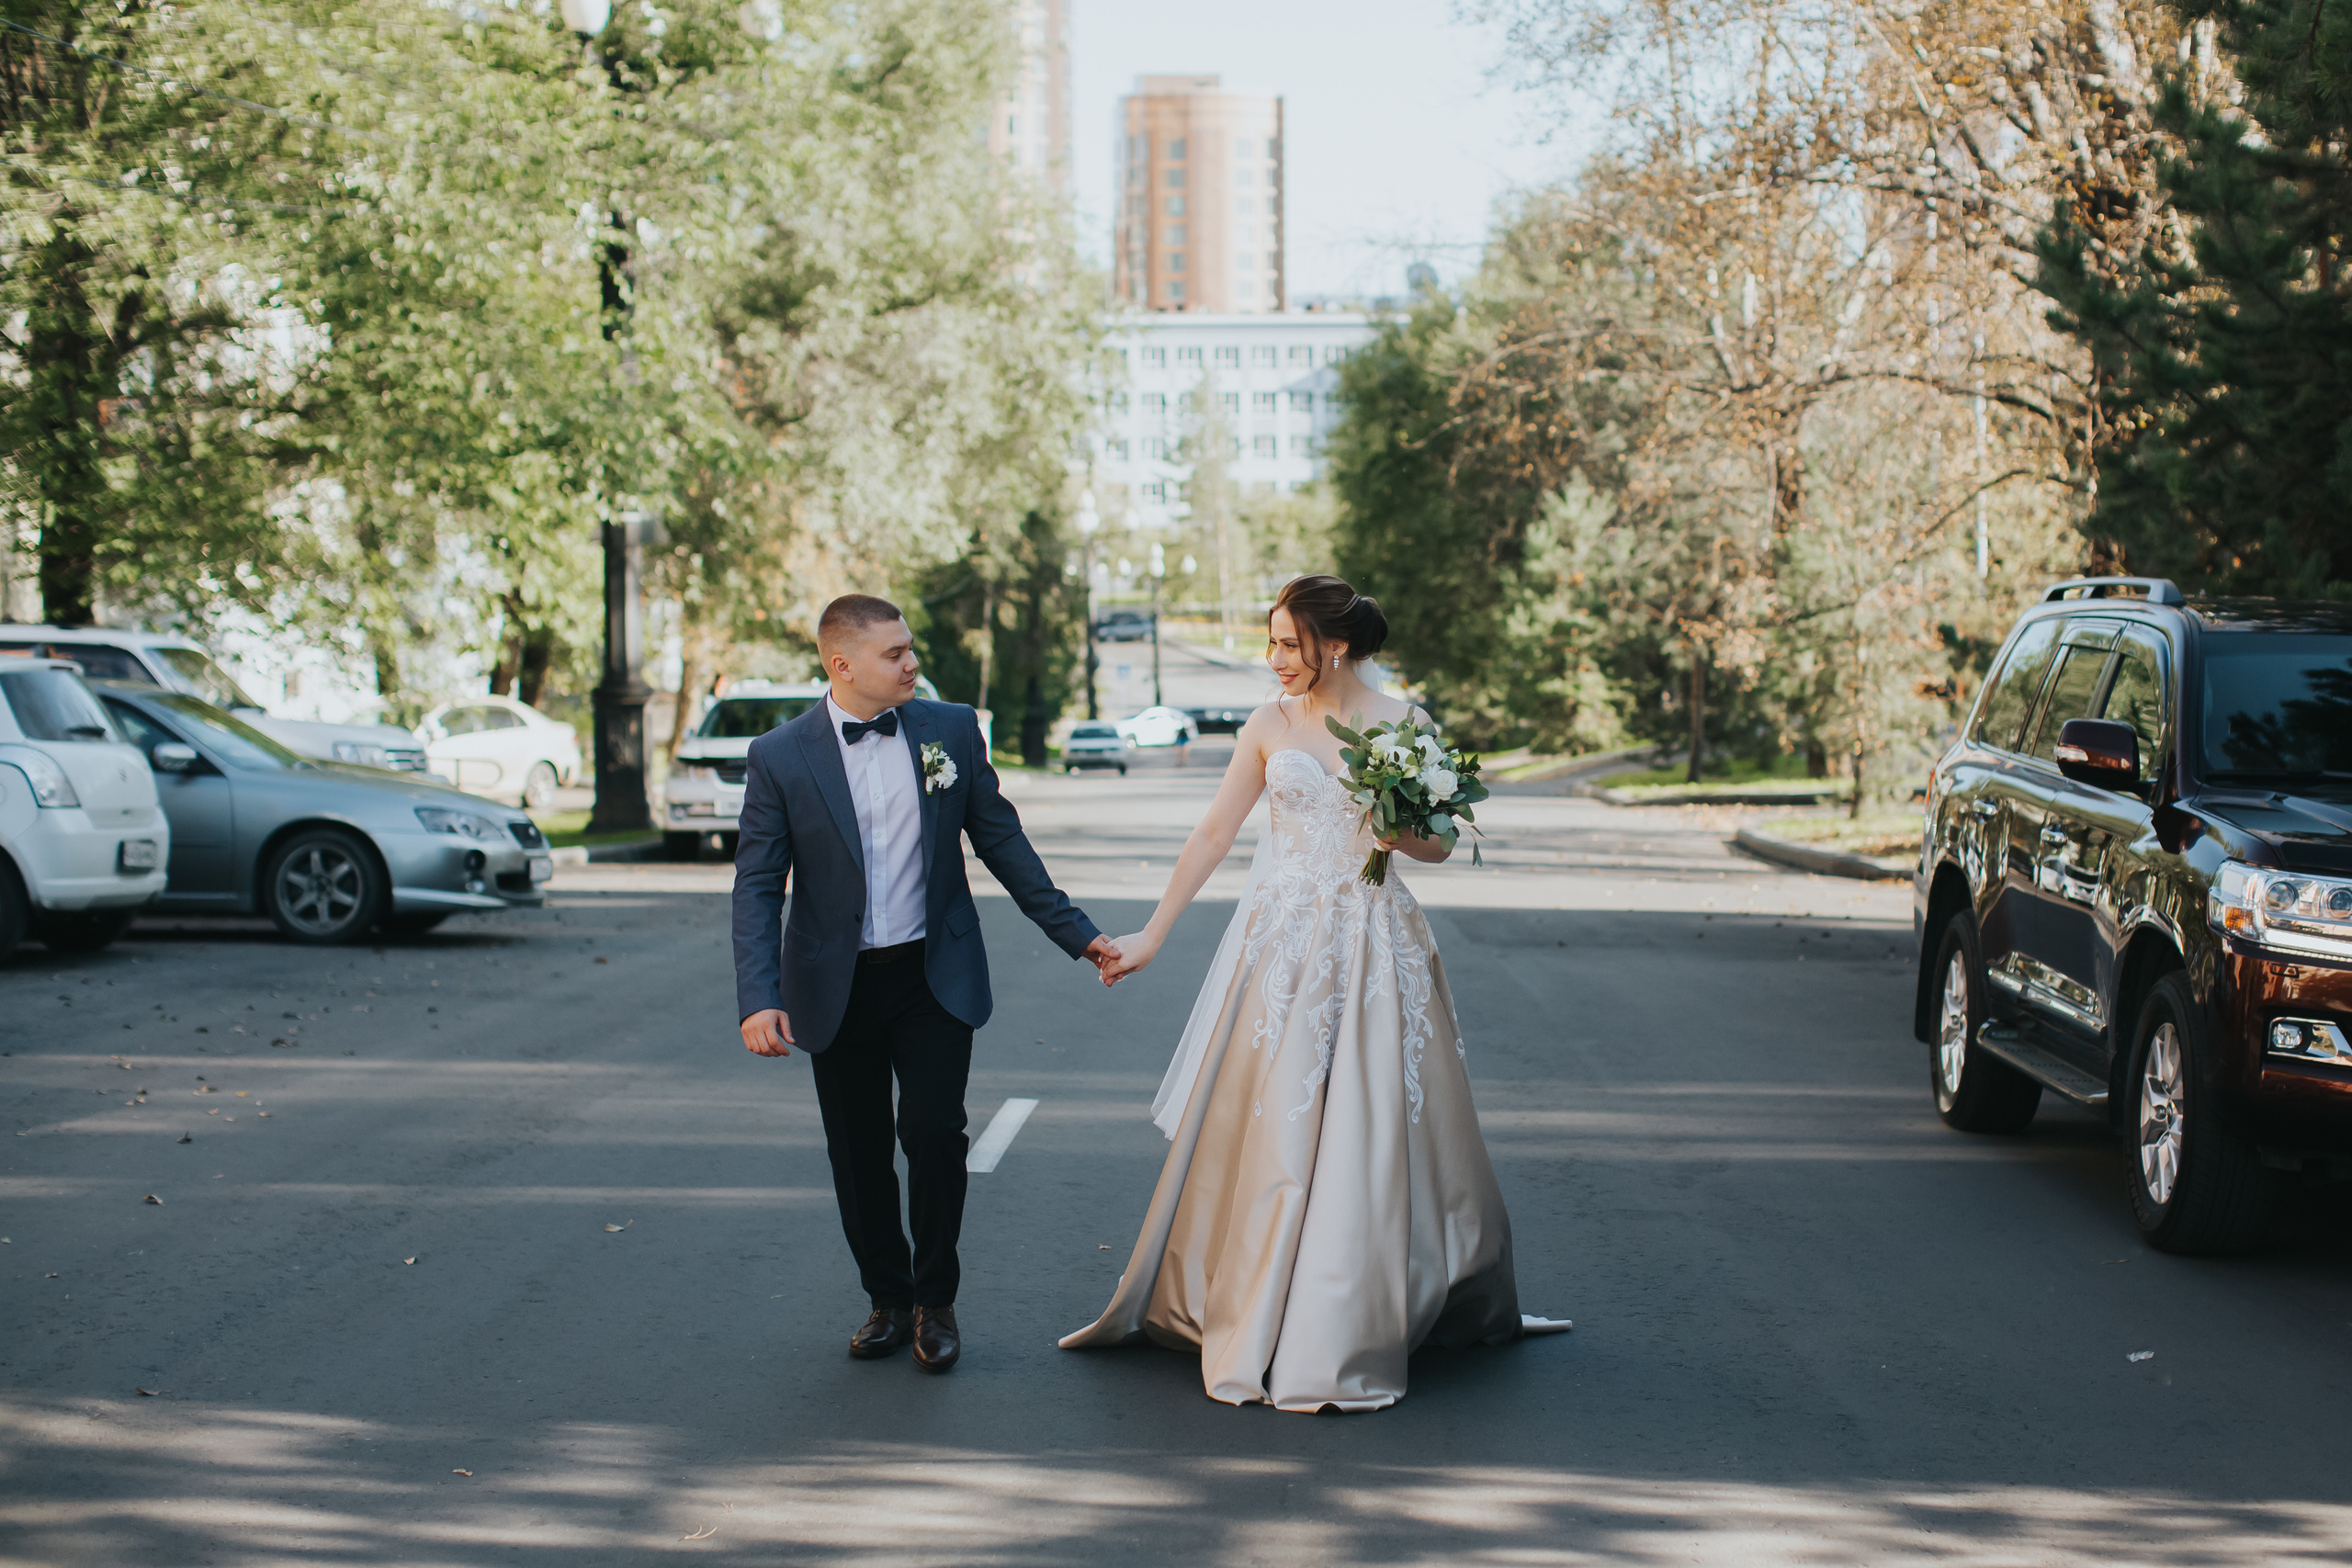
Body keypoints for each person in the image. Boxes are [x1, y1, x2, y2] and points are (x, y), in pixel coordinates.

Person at [1062, 574, 1566, 1412]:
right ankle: (1255, 1304)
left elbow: (1433, 849)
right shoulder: (1268, 724)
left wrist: (1393, 817)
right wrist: (1151, 933)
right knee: (1277, 1130)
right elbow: (1214, 831)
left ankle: (1353, 1310)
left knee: (1369, 1128)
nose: (1274, 660)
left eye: (1287, 645)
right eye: (1271, 643)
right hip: (1285, 948)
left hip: (1376, 940)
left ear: (1333, 644)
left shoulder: (1406, 725)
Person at [733, 594, 1121, 1373]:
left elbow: (1005, 844)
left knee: (935, 1136)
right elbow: (756, 883)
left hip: (930, 974)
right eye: (894, 654)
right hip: (832, 984)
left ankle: (936, 1300)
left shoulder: (949, 731)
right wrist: (759, 994)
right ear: (842, 666)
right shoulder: (780, 755)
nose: (912, 663)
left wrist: (1082, 936)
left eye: (911, 648)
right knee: (859, 1149)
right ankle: (889, 1297)